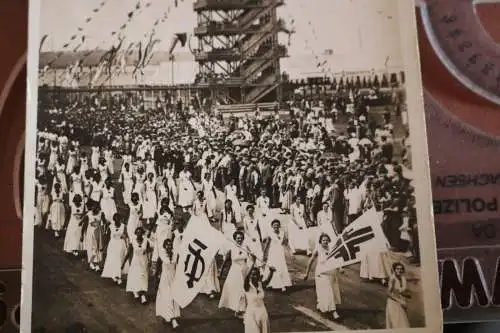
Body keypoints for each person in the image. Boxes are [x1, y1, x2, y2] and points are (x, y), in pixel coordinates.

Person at [304, 233, 341, 320]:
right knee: (327, 291)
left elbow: (337, 259)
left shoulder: (332, 248)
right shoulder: (317, 249)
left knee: (331, 291)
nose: (325, 241)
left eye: (326, 240)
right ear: (320, 241)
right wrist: (306, 274)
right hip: (321, 273)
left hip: (332, 272)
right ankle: (333, 311)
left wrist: (340, 268)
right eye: (323, 240)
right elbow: (310, 261)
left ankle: (321, 305)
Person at [219, 230, 250, 317]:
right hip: (235, 272)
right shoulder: (231, 249)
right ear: (235, 239)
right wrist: (220, 273)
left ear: (243, 239)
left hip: (244, 270)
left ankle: (240, 309)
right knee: (238, 291)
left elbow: (247, 259)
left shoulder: (246, 247)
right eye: (237, 238)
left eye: (241, 238)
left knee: (244, 290)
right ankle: (238, 309)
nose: (239, 240)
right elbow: (225, 262)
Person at [156, 238, 181, 329]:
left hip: (173, 279)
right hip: (165, 280)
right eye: (167, 244)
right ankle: (172, 319)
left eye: (170, 244)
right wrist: (156, 279)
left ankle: (169, 316)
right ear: (164, 246)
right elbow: (158, 267)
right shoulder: (162, 255)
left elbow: (178, 267)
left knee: (173, 298)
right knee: (167, 298)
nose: (169, 246)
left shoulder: (175, 255)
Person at [243, 265, 276, 333]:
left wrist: (271, 272)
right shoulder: (247, 286)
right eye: (251, 274)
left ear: (258, 276)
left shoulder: (260, 284)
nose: (252, 276)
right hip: (251, 314)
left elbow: (267, 280)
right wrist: (252, 263)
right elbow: (246, 277)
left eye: (255, 275)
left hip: (262, 312)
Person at [263, 220, 291, 292]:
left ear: (279, 226)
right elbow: (266, 245)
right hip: (272, 253)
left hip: (280, 252)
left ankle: (282, 284)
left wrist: (289, 250)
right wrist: (264, 254)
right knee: (273, 267)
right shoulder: (270, 234)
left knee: (281, 267)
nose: (276, 226)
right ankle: (271, 283)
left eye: (277, 225)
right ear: (272, 226)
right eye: (274, 225)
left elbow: (285, 242)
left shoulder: (282, 233)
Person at [126, 227, 151, 304]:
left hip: (144, 262)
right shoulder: (133, 241)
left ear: (142, 233)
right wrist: (124, 263)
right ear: (135, 233)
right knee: (136, 277)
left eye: (140, 232)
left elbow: (149, 251)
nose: (139, 233)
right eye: (137, 232)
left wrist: (149, 260)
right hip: (135, 262)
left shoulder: (146, 241)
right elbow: (129, 252)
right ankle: (135, 291)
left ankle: (143, 296)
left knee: (143, 278)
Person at [101, 213, 127, 285]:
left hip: (121, 245)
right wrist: (103, 247)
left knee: (119, 260)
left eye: (118, 219)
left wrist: (127, 245)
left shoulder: (123, 226)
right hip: (112, 246)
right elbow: (107, 237)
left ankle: (119, 276)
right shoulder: (110, 226)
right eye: (115, 220)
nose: (117, 221)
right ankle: (115, 275)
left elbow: (125, 236)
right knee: (113, 261)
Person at [385, 262, 411, 328]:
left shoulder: (403, 278)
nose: (399, 270)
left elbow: (402, 290)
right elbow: (388, 293)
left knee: (403, 321)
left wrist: (406, 296)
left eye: (401, 269)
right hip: (393, 302)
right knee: (397, 323)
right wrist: (399, 301)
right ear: (394, 269)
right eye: (397, 269)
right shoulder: (392, 279)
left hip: (402, 301)